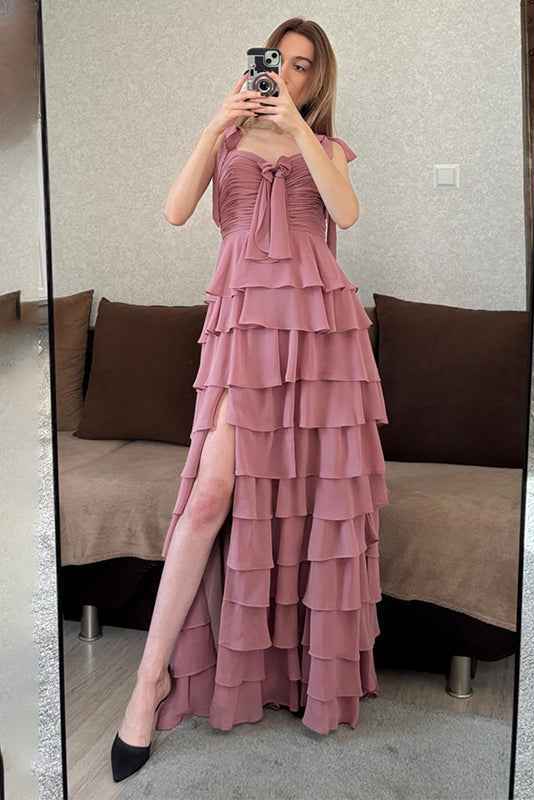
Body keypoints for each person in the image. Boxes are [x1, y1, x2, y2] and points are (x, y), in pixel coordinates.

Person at [111, 17, 389, 783]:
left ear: (315, 79)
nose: (287, 75)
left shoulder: (324, 146)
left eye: (302, 67)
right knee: (210, 496)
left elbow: (346, 214)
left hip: (320, 334)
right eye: (279, 62)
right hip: (242, 328)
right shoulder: (228, 140)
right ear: (257, 65)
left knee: (307, 502)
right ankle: (148, 681)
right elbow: (176, 210)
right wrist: (216, 123)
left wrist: (297, 129)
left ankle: (295, 675)